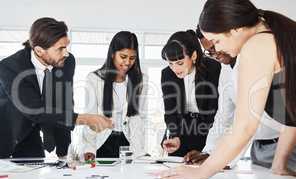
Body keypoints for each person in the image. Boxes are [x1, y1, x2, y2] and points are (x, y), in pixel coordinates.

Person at [155, 0, 296, 179]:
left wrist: (202, 172)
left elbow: (244, 126)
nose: (218, 49)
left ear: (235, 29)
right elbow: (292, 114)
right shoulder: (276, 36)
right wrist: (279, 163)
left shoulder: (257, 46)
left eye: (217, 41)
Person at [186, 27, 296, 171]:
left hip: (287, 146)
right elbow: (224, 115)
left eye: (215, 45)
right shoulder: (225, 70)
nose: (215, 53)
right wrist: (209, 152)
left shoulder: (257, 58)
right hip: (259, 148)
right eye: (210, 51)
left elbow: (249, 122)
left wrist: (218, 160)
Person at [0, 17, 112, 159]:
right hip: (8, 134)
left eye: (66, 46)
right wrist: (86, 119)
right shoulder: (10, 67)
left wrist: (64, 152)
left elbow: (63, 103)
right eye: (60, 48)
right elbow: (35, 110)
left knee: (35, 175)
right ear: (39, 51)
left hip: (31, 135)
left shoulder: (67, 61)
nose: (66, 53)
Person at [69, 31, 147, 161]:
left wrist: (139, 151)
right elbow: (91, 115)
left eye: (132, 58)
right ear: (112, 54)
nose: (128, 62)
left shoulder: (141, 80)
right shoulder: (94, 79)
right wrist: (89, 148)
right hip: (102, 142)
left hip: (129, 145)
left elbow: (139, 118)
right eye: (123, 56)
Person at [160, 30, 221, 158]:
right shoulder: (167, 74)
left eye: (180, 63)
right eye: (170, 63)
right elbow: (170, 111)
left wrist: (209, 147)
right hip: (180, 130)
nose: (175, 69)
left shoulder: (213, 68)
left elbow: (215, 109)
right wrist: (175, 136)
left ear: (193, 56)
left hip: (208, 130)